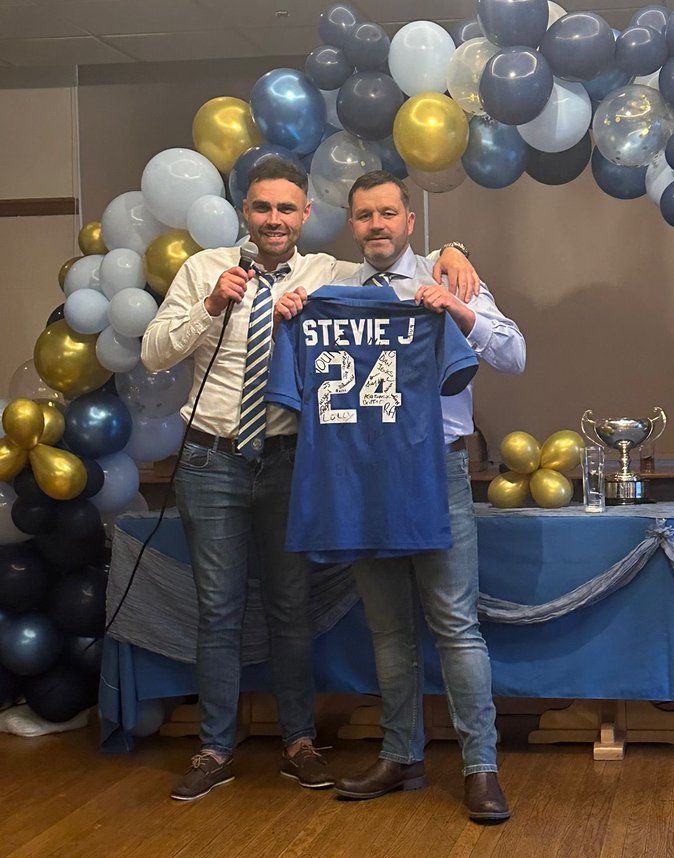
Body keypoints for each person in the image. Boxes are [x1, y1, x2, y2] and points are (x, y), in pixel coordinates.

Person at [141, 156, 478, 801]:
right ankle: (214, 749)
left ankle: (298, 741)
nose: (275, 220)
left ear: (304, 217)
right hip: (212, 458)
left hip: (293, 460)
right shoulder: (203, 270)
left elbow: (394, 267)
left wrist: (456, 250)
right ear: (246, 211)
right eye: (263, 208)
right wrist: (211, 307)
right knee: (219, 609)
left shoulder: (331, 273)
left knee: (289, 607)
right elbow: (155, 352)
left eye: (287, 209)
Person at [331, 170, 526, 823]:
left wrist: (460, 308)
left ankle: (480, 769)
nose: (377, 225)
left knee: (454, 626)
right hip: (364, 475)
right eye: (365, 216)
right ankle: (401, 756)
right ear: (352, 225)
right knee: (387, 629)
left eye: (388, 213)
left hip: (433, 469)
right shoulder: (337, 291)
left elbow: (514, 355)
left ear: (410, 222)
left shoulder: (448, 279)